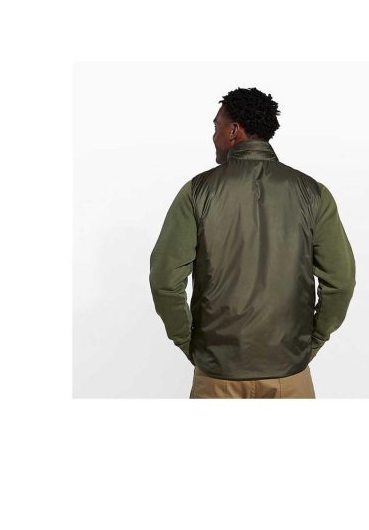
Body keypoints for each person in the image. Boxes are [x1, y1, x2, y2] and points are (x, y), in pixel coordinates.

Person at [149, 87, 356, 398]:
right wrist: (311, 343)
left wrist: (189, 343)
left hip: (218, 375)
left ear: (234, 130)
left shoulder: (197, 191)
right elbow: (341, 281)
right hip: (289, 373)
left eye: (217, 126)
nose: (214, 136)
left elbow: (165, 281)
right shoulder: (313, 193)